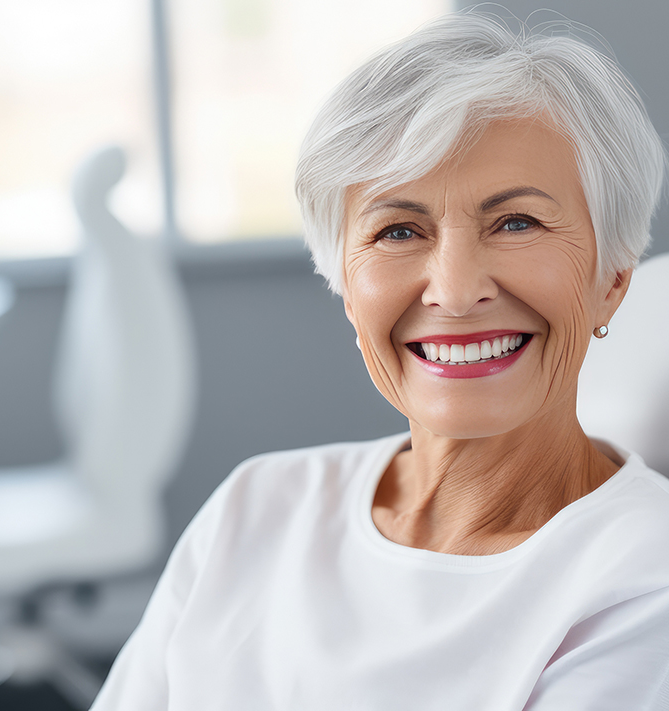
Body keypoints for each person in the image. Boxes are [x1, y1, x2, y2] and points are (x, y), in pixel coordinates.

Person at [91, 9, 669, 710]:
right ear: (344, 289)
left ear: (611, 278)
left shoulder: (642, 580)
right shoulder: (255, 506)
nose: (455, 293)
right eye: (397, 230)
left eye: (515, 222)